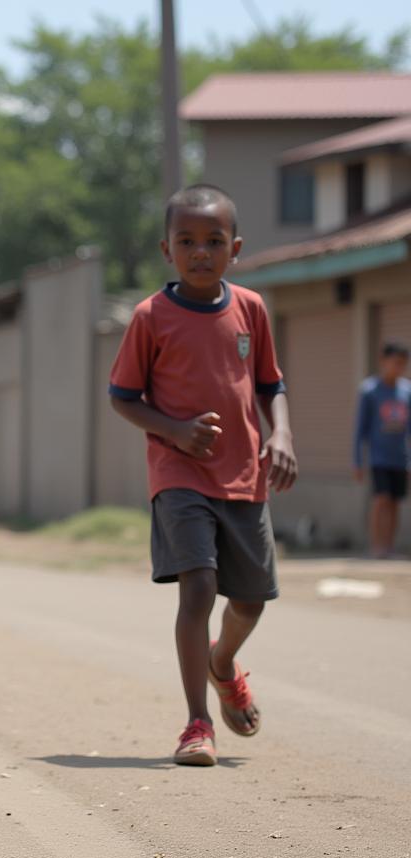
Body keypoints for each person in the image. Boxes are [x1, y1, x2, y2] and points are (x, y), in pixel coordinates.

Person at [109, 183, 298, 767]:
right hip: (179, 473)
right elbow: (123, 395)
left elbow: (270, 384)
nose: (200, 252)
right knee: (199, 587)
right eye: (187, 241)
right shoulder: (151, 316)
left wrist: (281, 432)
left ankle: (223, 663)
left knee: (251, 600)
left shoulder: (251, 309)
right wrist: (173, 430)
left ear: (234, 248)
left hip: (244, 476)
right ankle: (197, 722)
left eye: (213, 241)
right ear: (167, 249)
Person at [353, 341, 411, 558]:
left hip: (400, 459)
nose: (398, 367)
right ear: (383, 361)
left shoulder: (407, 391)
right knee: (381, 500)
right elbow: (360, 430)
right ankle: (376, 547)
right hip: (379, 459)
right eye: (395, 362)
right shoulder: (369, 391)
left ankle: (389, 547)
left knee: (395, 502)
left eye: (403, 363)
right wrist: (357, 461)